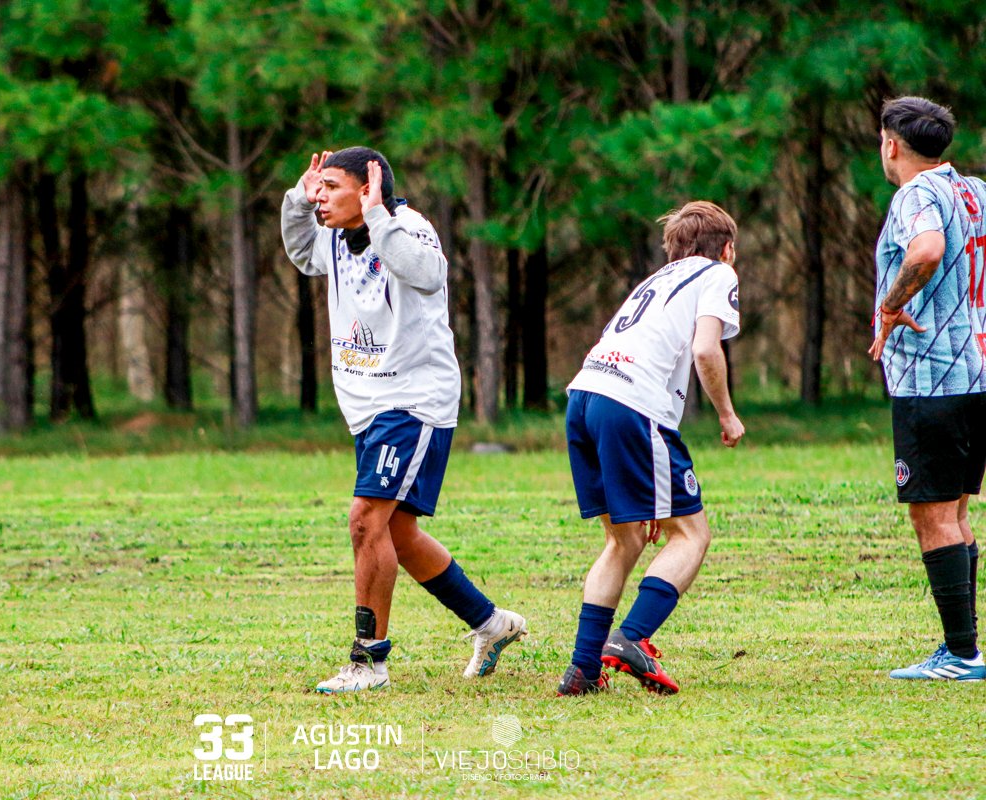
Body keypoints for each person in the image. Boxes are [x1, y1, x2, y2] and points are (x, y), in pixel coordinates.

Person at [280, 146, 526, 693]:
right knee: (396, 531)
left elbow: (429, 275)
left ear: (368, 189)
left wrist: (377, 218)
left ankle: (368, 662)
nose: (321, 199)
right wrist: (298, 200)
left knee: (365, 519)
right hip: (365, 404)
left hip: (412, 401)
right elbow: (301, 253)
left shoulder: (408, 227)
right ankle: (492, 623)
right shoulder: (334, 234)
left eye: (332, 188)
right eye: (319, 189)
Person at [557, 201, 744, 696]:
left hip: (585, 396)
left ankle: (582, 670)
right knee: (692, 535)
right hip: (632, 405)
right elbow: (705, 349)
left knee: (624, 540)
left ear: (674, 249)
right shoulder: (716, 273)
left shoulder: (655, 281)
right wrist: (727, 414)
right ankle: (632, 637)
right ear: (726, 249)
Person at [869, 96, 986, 681]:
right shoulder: (974, 191)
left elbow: (928, 249)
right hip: (976, 372)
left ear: (891, 144)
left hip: (933, 379)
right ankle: (965, 649)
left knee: (931, 515)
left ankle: (961, 654)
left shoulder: (915, 195)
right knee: (955, 512)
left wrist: (891, 305)